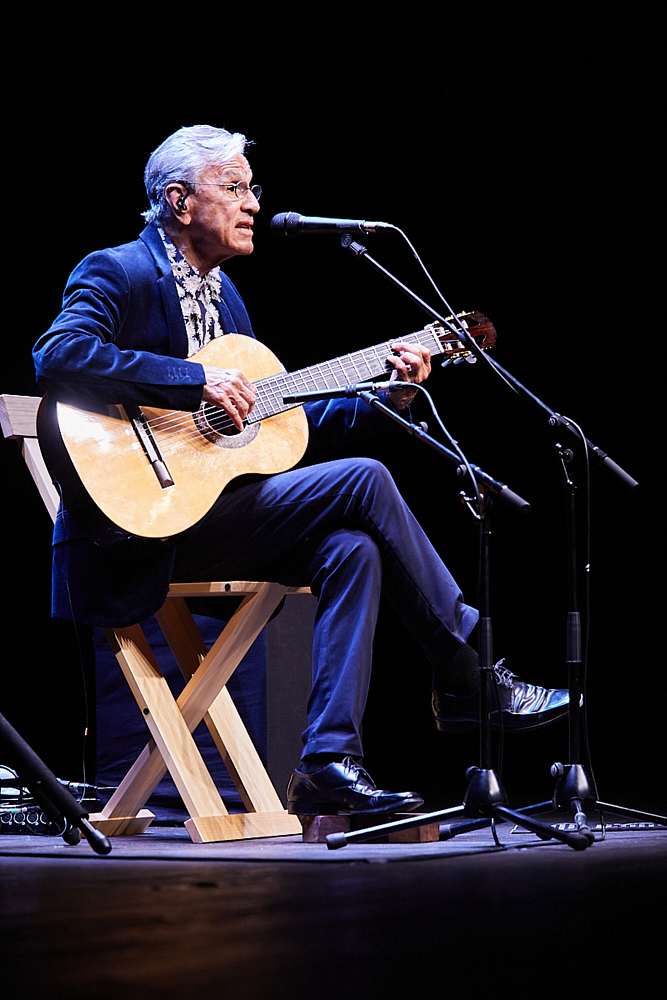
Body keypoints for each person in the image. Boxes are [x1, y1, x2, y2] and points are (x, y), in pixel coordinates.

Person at [33, 125, 568, 817]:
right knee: (364, 478)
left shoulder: (226, 299)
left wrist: (390, 394)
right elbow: (58, 353)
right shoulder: (119, 270)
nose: (253, 202)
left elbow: (276, 425)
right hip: (134, 530)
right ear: (179, 200)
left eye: (253, 187)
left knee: (353, 547)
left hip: (211, 515)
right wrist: (192, 379)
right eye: (234, 187)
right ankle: (469, 672)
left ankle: (326, 763)